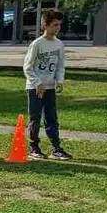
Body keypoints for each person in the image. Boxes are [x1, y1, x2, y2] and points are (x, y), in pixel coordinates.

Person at [23, 9, 72, 161]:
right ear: (45, 25)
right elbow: (27, 67)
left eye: (59, 25)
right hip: (35, 88)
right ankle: (34, 147)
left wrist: (59, 80)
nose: (57, 28)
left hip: (50, 87)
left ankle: (56, 148)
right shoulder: (37, 44)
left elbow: (60, 65)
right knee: (35, 118)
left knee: (51, 118)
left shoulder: (59, 45)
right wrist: (37, 83)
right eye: (54, 25)